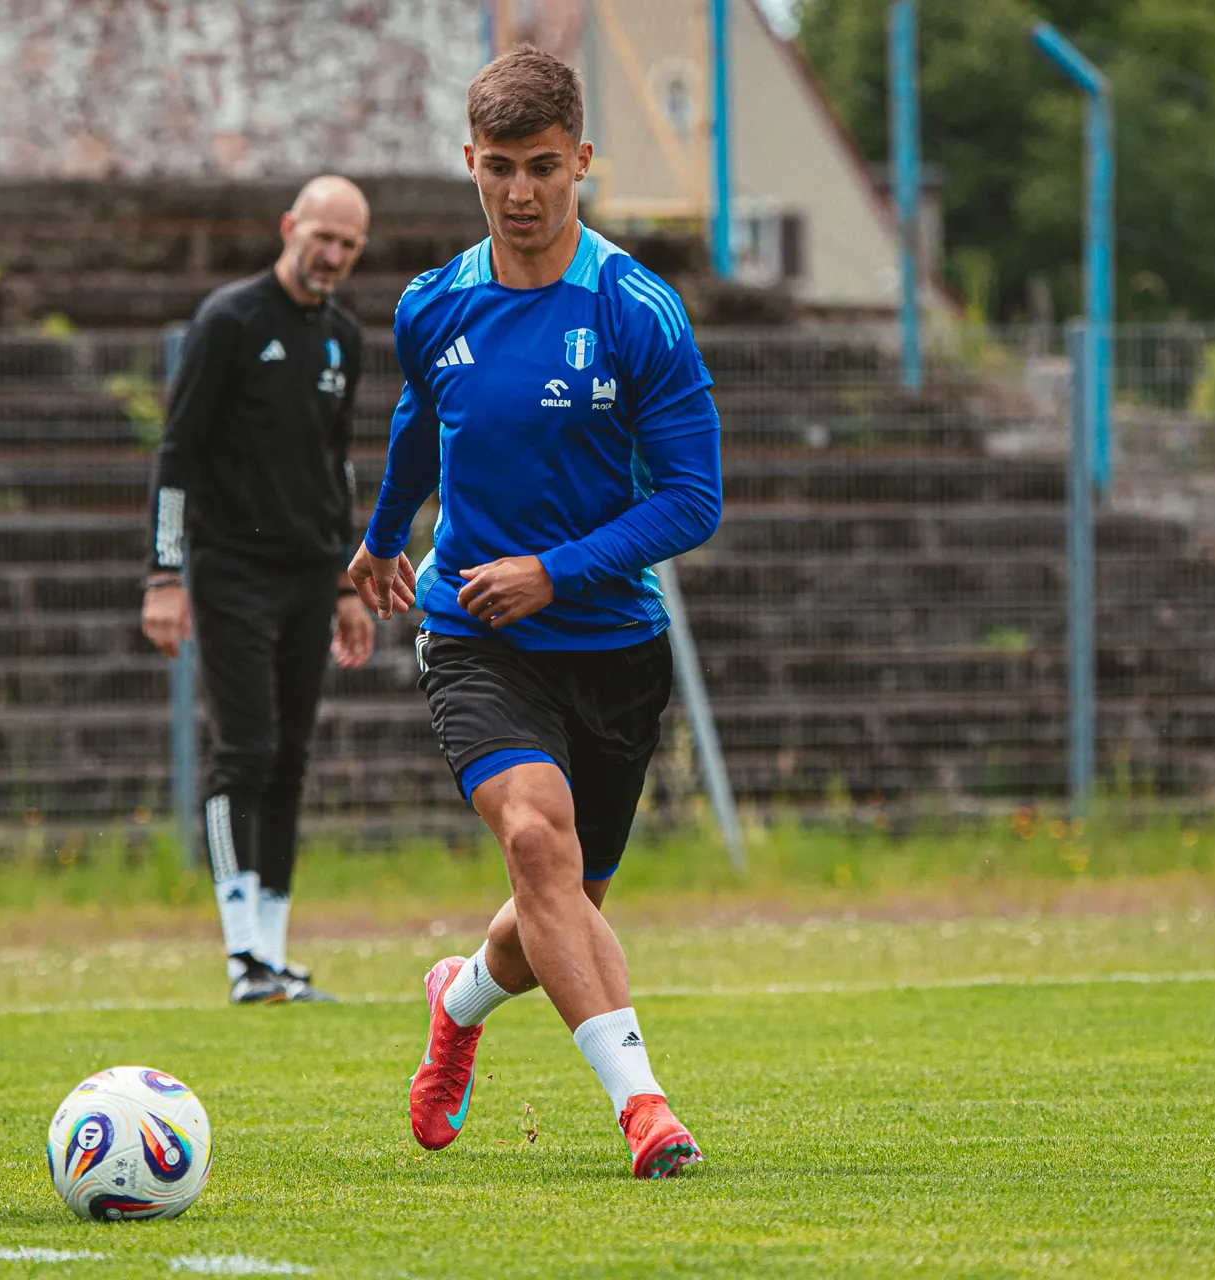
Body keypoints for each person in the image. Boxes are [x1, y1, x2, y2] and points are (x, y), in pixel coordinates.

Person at [349, 48, 721, 1178]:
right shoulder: (432, 304)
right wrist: (383, 536)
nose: (520, 193)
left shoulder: (636, 309)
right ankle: (644, 1107)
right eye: (499, 168)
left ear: (583, 162)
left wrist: (555, 571)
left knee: (558, 903)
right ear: (470, 161)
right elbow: (420, 423)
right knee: (532, 839)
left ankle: (457, 999)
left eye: (544, 168)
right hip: (475, 631)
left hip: (613, 645)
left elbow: (693, 498)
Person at [142, 175, 376, 1004]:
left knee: (289, 761)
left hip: (311, 573)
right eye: (323, 237)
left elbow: (336, 466)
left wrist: (347, 580)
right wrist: (165, 573)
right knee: (243, 753)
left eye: (349, 245)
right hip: (231, 568)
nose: (333, 255)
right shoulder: (230, 320)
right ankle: (242, 952)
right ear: (289, 228)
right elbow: (177, 453)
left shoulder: (343, 337)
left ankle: (274, 954)